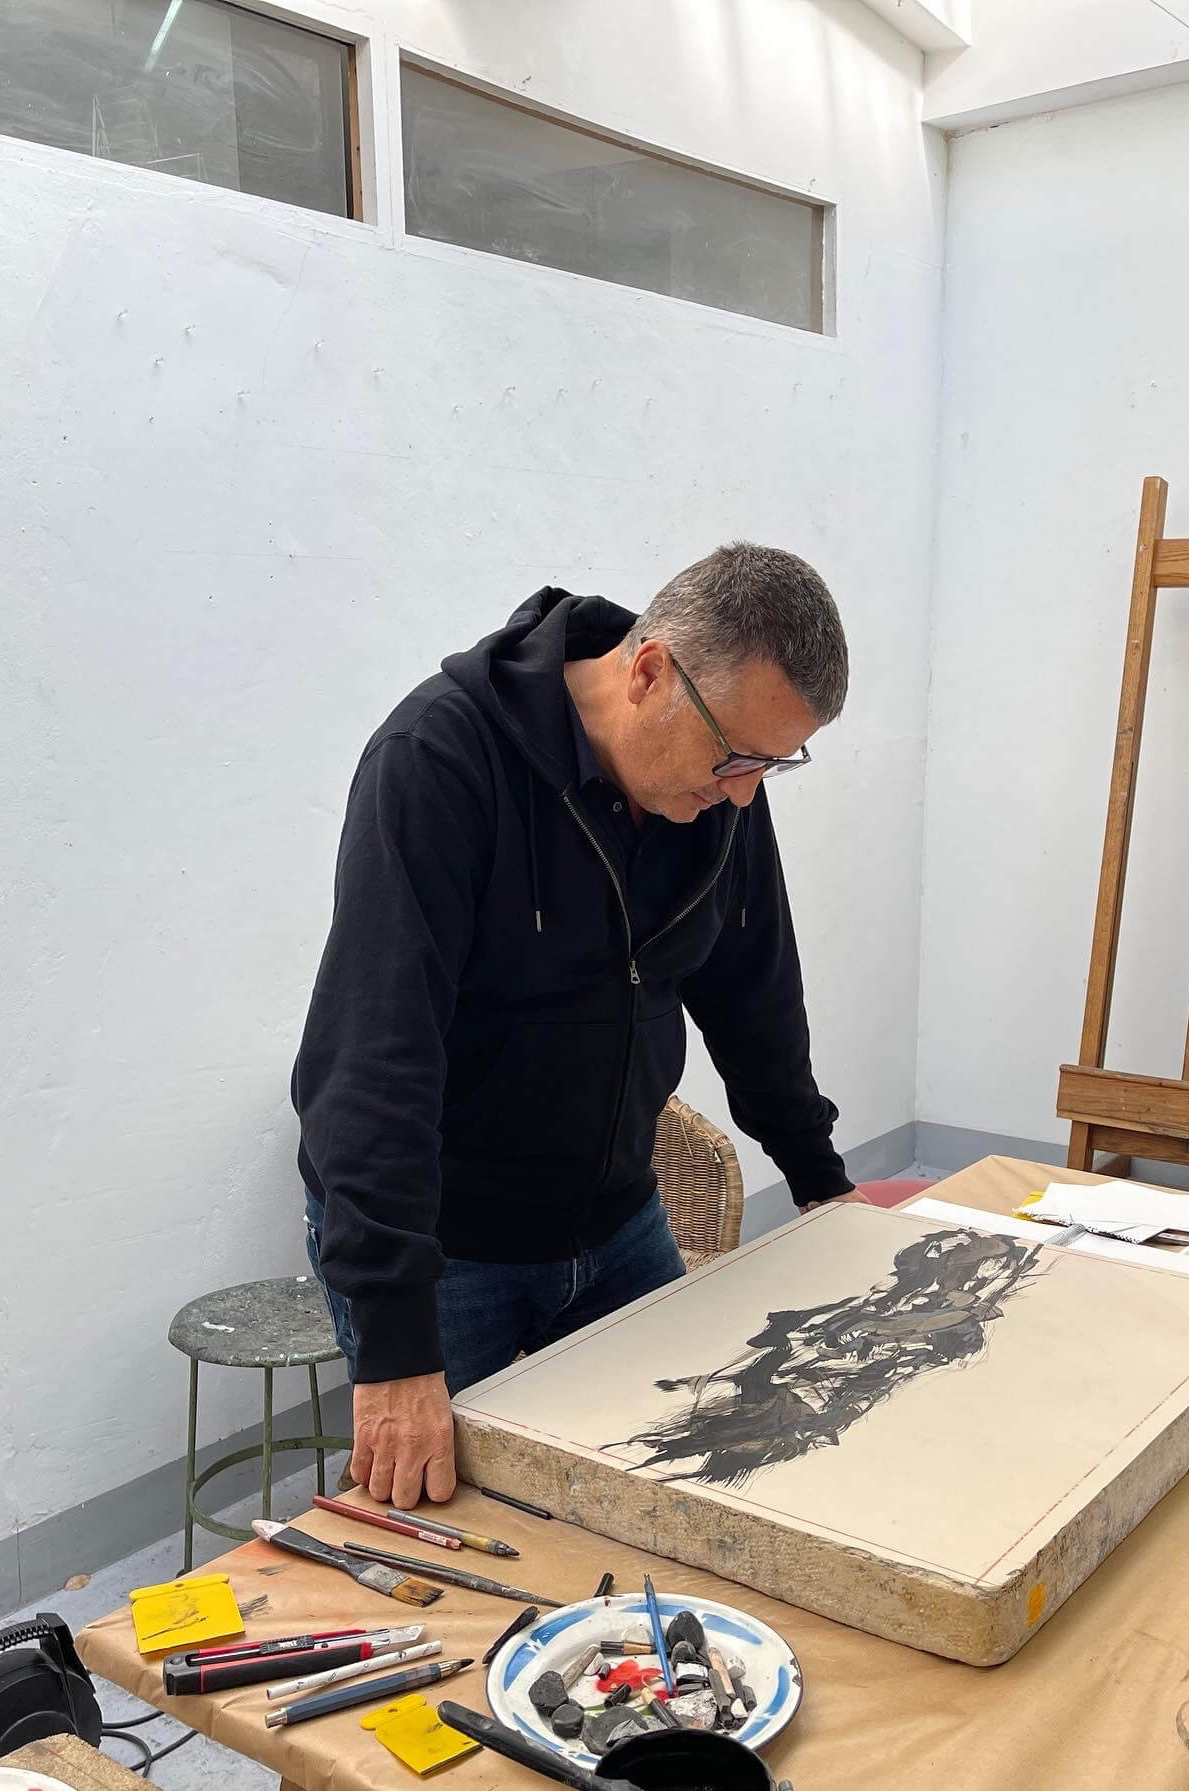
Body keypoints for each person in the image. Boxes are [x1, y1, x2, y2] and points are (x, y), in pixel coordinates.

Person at [294, 541, 870, 1509]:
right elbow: (374, 1054)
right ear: (648, 673)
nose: (744, 791)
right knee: (464, 1526)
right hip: (447, 1249)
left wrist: (819, 1181)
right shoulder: (439, 761)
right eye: (737, 757)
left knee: (671, 1490)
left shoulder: (719, 790)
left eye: (774, 765)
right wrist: (395, 1346)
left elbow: (755, 987)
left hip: (616, 1220)